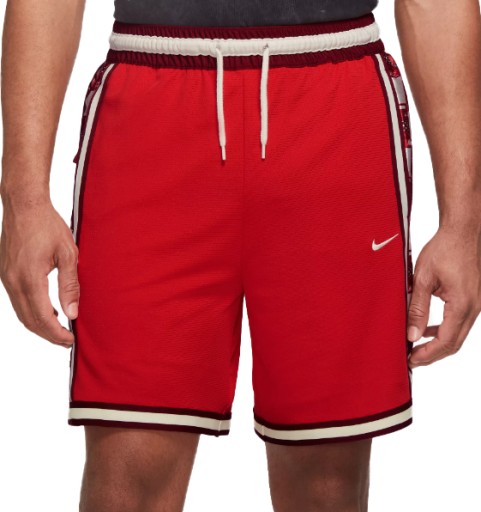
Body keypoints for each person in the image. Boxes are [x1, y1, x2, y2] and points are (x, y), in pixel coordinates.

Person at [1, 0, 480, 510]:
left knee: (327, 482)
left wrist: (464, 221)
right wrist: (23, 200)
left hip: (333, 103)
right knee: (128, 472)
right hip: (151, 111)